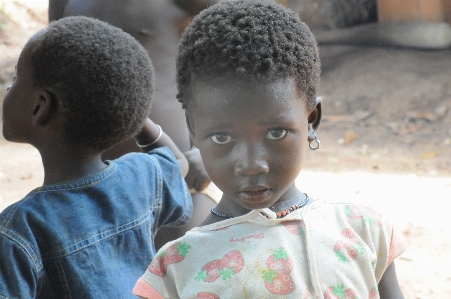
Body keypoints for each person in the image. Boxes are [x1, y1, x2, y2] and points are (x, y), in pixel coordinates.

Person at [132, 1, 407, 298]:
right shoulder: (177, 267)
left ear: (311, 120)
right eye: (222, 138)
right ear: (194, 130)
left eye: (276, 133)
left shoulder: (364, 231)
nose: (252, 165)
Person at [0, 16, 191, 298]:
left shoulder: (20, 228)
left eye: (16, 79)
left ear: (40, 107)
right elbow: (178, 165)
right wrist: (136, 118)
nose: (8, 88)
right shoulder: (139, 176)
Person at [48, 0, 222, 250]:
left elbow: (239, 61)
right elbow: (49, 68)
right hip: (85, 197)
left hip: (172, 191)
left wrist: (212, 149)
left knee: (185, 276)